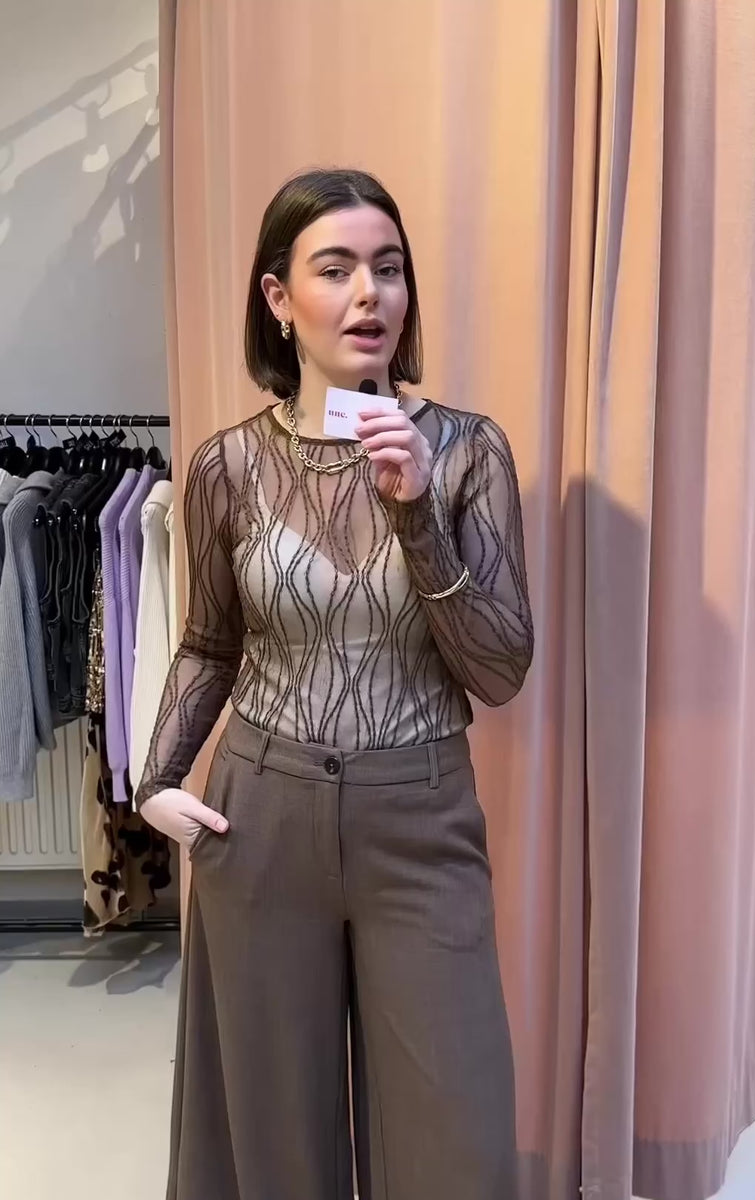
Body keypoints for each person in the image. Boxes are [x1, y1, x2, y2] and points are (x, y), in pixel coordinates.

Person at [137, 168, 534, 1200]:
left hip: (420, 819)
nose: (369, 294)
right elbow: (208, 645)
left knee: (455, 1135)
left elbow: (500, 669)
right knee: (273, 1137)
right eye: (336, 268)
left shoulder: (465, 452)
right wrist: (155, 781)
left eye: (388, 268)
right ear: (279, 297)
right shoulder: (227, 467)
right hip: (261, 817)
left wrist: (415, 514)